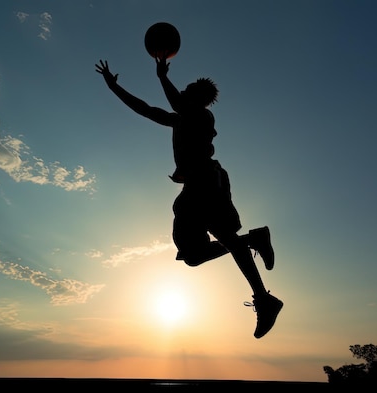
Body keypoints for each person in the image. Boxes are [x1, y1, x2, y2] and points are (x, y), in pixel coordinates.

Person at [95, 57, 283, 338]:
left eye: (187, 89)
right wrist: (113, 87)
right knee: (194, 255)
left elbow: (175, 103)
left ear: (198, 98)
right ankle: (253, 242)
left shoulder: (202, 117)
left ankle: (264, 297)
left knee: (226, 238)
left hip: (208, 181)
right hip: (194, 186)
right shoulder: (180, 119)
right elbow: (145, 109)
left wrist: (161, 77)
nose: (181, 92)